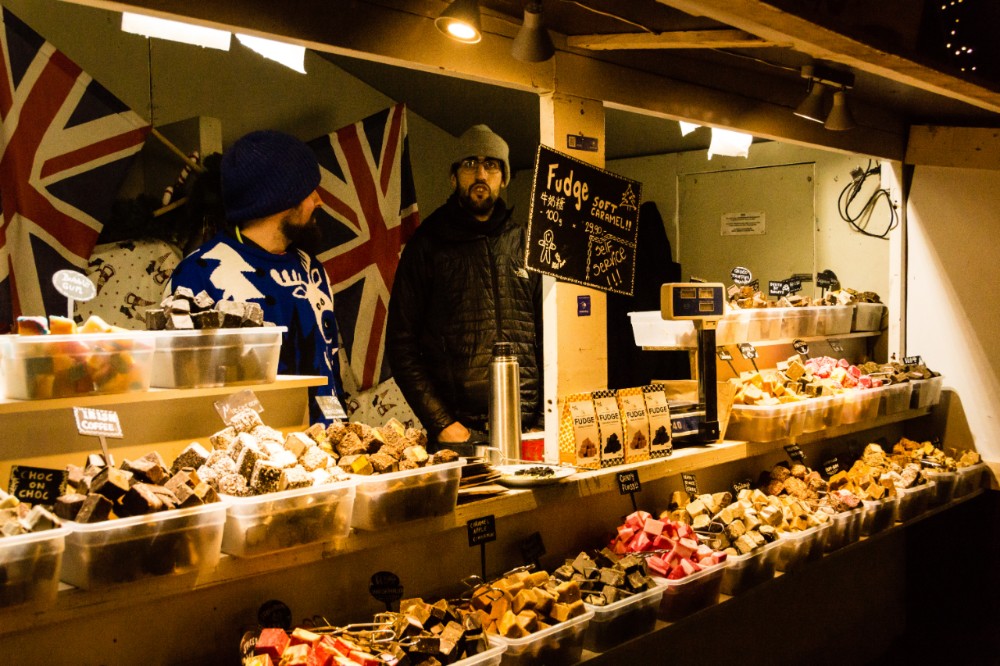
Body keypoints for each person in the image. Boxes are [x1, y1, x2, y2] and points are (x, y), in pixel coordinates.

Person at [168, 129, 343, 424]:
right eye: (308, 191)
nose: (319, 200)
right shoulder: (200, 273)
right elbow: (186, 387)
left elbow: (330, 367)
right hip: (257, 454)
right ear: (280, 201)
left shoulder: (313, 270)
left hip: (330, 452)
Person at [387, 124, 542, 451]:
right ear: (454, 176)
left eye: (491, 165)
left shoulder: (525, 243)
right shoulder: (427, 245)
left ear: (505, 177)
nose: (480, 173)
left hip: (529, 431)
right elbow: (401, 347)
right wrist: (442, 423)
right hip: (461, 437)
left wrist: (543, 418)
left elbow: (550, 336)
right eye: (470, 164)